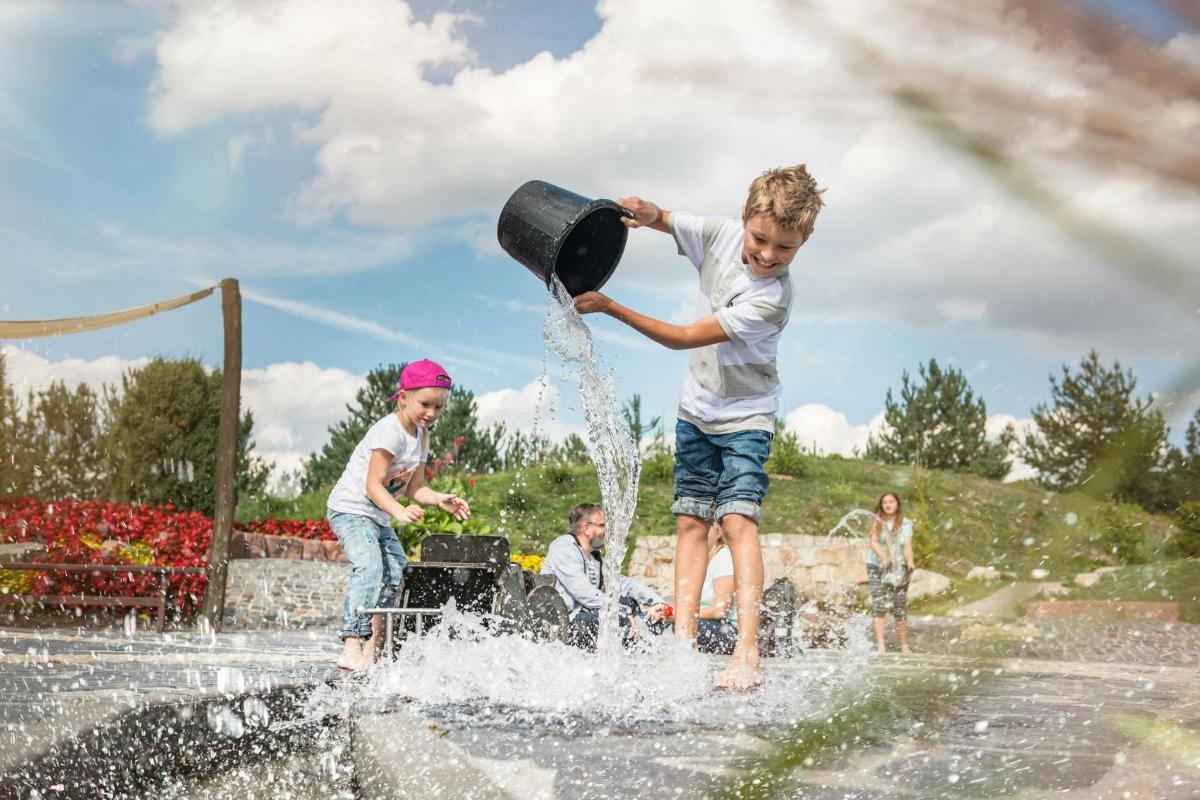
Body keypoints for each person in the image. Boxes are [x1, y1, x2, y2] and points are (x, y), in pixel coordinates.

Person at [574, 166, 824, 689]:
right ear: (744, 220)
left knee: (736, 523)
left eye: (786, 248)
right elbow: (670, 220)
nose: (769, 255)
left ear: (802, 243)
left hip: (745, 419)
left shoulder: (771, 298)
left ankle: (746, 652)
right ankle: (682, 648)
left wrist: (611, 307)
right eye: (761, 239)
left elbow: (685, 336)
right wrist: (649, 214)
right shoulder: (722, 233)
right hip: (696, 412)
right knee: (690, 523)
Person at [326, 359, 471, 671]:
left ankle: (374, 650)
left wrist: (439, 499)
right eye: (425, 404)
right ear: (404, 397)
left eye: (438, 407)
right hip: (351, 508)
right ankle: (351, 644)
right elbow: (373, 485)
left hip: (376, 515)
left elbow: (415, 488)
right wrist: (399, 511)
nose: (431, 413)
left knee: (397, 574)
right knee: (369, 567)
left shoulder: (422, 436)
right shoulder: (388, 431)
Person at [540, 502, 670, 649]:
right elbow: (585, 594)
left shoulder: (593, 556)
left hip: (585, 615)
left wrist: (657, 602)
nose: (608, 530)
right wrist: (623, 613)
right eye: (603, 525)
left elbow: (620, 583)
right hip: (562, 623)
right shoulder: (564, 549)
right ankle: (636, 661)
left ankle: (661, 656)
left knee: (640, 612)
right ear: (587, 528)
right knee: (620, 620)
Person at [866, 492, 916, 654]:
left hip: (899, 567)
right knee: (879, 605)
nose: (887, 505)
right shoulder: (877, 522)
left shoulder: (906, 523)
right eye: (885, 502)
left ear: (897, 504)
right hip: (876, 566)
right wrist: (884, 557)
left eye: (891, 502)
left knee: (899, 605)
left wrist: (910, 562)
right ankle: (881, 646)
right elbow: (873, 543)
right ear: (881, 506)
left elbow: (907, 546)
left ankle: (904, 646)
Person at [697, 524, 738, 655]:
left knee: (682, 626)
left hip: (728, 630)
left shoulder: (724, 558)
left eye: (705, 525)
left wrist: (682, 614)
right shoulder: (702, 563)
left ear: (719, 531)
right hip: (706, 622)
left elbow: (720, 611)